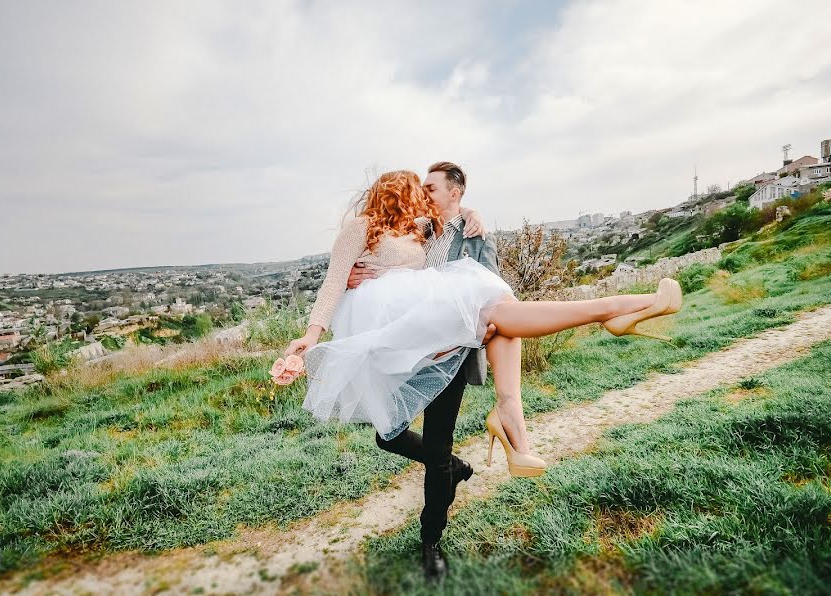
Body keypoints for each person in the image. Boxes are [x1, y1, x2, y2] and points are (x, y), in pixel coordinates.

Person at [283, 164, 681, 580]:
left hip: (449, 351)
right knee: (389, 435)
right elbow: (334, 281)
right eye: (418, 189)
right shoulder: (395, 227)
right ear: (397, 192)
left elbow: (488, 284)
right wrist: (321, 321)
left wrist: (469, 221)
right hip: (400, 351)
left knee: (437, 449)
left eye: (430, 188)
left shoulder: (457, 232)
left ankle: (431, 539)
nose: (423, 195)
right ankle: (470, 454)